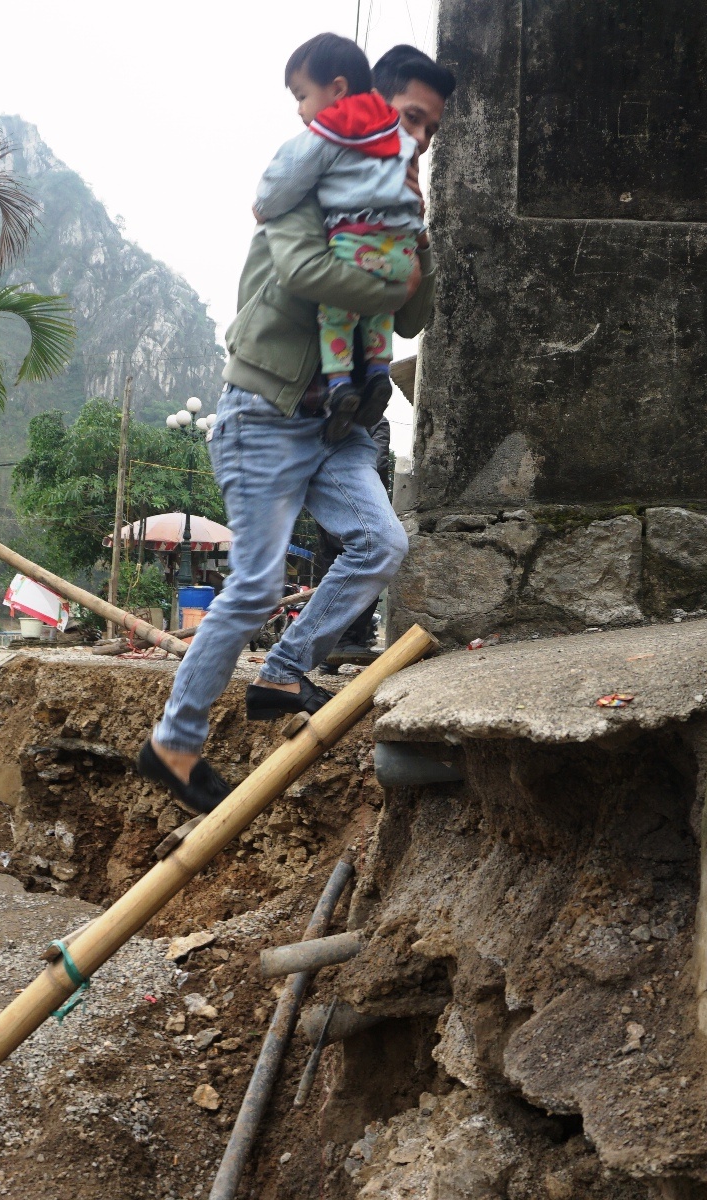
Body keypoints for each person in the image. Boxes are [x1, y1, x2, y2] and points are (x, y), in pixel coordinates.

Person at [138, 43, 453, 814]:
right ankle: (173, 745)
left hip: (337, 426)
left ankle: (285, 669)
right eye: (408, 118)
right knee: (254, 586)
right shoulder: (303, 188)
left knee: (382, 544)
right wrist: (388, 268)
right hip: (266, 415)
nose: (415, 139)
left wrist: (408, 236)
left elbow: (414, 314)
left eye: (429, 131)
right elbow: (311, 277)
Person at [253, 33, 423, 444]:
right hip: (401, 249)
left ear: (338, 89)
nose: (299, 110)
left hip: (357, 241)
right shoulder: (394, 130)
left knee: (337, 313)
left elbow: (286, 181)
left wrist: (263, 205)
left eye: (302, 95)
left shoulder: (331, 130)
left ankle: (341, 384)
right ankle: (380, 372)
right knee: (377, 315)